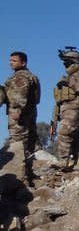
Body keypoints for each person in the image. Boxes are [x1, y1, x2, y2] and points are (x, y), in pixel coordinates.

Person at [51, 47, 79, 168]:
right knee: (76, 135)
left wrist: (69, 83)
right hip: (67, 108)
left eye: (67, 61)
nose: (65, 65)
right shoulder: (68, 76)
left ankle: (63, 160)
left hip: (77, 107)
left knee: (65, 132)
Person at [2, 51, 40, 183]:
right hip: (29, 113)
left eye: (14, 61)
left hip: (19, 115)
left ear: (23, 62)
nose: (10, 63)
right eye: (10, 60)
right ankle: (30, 174)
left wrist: (17, 110)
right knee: (29, 143)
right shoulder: (30, 76)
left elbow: (20, 95)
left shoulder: (21, 76)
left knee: (18, 144)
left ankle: (22, 178)